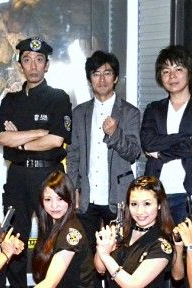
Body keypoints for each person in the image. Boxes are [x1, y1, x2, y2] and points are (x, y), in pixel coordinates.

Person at [0, 36, 72, 288]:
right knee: (14, 234)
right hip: (17, 175)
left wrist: (21, 141)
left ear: (47, 65)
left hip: (47, 175)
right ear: (20, 65)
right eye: (27, 60)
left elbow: (56, 140)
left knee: (50, 235)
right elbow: (3, 138)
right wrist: (38, 133)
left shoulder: (58, 98)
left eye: (39, 60)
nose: (33, 66)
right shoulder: (10, 100)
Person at [67, 50, 141, 253]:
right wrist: (73, 188)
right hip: (86, 197)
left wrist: (115, 133)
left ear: (115, 78)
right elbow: (73, 154)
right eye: (96, 74)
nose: (102, 79)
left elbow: (133, 153)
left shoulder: (130, 112)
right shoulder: (79, 113)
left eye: (107, 73)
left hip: (117, 196)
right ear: (89, 79)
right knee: (85, 254)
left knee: (118, 252)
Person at [140, 45, 192, 224]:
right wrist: (183, 137)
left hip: (189, 193)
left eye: (178, 69)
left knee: (188, 241)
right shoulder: (153, 109)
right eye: (166, 71)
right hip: (156, 194)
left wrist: (160, 153)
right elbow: (148, 142)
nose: (172, 76)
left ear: (189, 73)